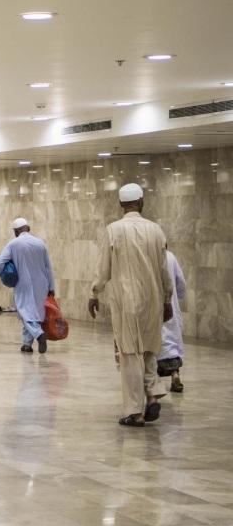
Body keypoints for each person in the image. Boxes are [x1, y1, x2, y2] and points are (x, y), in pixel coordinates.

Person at [90, 183, 173, 427]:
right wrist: (167, 299)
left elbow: (103, 269)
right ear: (141, 202)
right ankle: (153, 393)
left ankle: (135, 412)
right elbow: (164, 270)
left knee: (129, 354)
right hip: (153, 299)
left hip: (126, 301)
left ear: (121, 204)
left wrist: (94, 292)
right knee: (148, 349)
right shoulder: (156, 230)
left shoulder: (113, 230)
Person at [0, 218, 56, 354]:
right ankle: (27, 344)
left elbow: (0, 262)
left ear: (16, 231)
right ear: (28, 228)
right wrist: (51, 287)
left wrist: (3, 275)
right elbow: (48, 267)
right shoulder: (40, 243)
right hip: (42, 284)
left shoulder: (14, 244)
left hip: (24, 284)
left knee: (25, 312)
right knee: (35, 313)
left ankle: (39, 334)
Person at [158, 249, 187, 392]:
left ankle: (153, 384)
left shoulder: (147, 255)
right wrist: (179, 294)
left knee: (155, 347)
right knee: (172, 344)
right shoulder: (170, 256)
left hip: (154, 309)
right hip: (171, 307)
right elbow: (181, 282)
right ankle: (175, 374)